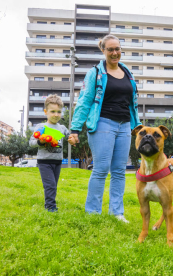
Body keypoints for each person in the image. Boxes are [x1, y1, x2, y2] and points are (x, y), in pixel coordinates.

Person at [68, 34, 141, 223]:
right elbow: (84, 101)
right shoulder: (96, 72)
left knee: (119, 171)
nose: (115, 53)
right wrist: (75, 129)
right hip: (103, 124)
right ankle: (93, 212)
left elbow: (132, 103)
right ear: (103, 50)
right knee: (101, 169)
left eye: (117, 49)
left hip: (124, 126)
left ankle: (117, 212)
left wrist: (136, 125)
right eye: (110, 49)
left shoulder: (128, 73)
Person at [29, 94, 70, 212]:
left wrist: (72, 140)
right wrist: (40, 141)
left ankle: (50, 204)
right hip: (44, 161)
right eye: (52, 111)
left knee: (53, 185)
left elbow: (69, 137)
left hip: (57, 161)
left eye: (59, 112)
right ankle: (50, 207)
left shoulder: (62, 128)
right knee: (50, 185)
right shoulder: (41, 126)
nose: (56, 115)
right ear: (45, 111)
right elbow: (31, 142)